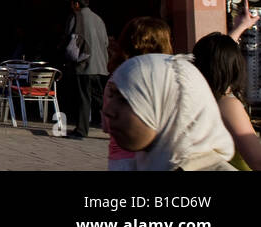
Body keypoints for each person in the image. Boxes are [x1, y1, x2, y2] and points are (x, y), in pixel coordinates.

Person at [103, 53, 235, 171]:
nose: (108, 111)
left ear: (171, 107)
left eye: (125, 99)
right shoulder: (140, 164)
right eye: (112, 95)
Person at [107, 16, 172, 170]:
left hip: (121, 157)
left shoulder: (117, 79)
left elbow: (106, 123)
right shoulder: (169, 77)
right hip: (159, 156)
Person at [192, 33, 261, 171]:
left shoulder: (201, 99)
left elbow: (217, 53)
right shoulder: (228, 104)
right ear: (235, 65)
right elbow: (257, 160)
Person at [64, 0, 109, 138]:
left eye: (72, 3)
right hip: (100, 66)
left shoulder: (76, 17)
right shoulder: (98, 19)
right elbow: (106, 42)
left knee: (83, 98)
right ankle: (118, 124)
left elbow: (69, 38)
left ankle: (81, 130)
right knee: (99, 99)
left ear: (76, 4)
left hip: (83, 65)